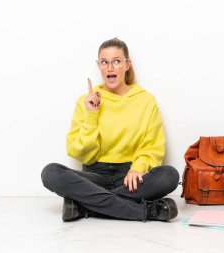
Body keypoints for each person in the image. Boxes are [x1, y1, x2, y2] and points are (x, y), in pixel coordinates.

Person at [41, 38, 179, 222]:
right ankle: (147, 212)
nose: (110, 68)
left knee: (169, 175)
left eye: (116, 61)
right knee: (50, 172)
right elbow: (80, 153)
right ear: (99, 66)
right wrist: (92, 114)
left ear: (127, 64)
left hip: (130, 177)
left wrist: (137, 169)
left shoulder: (146, 100)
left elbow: (152, 146)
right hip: (94, 175)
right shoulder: (87, 101)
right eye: (104, 62)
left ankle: (83, 207)